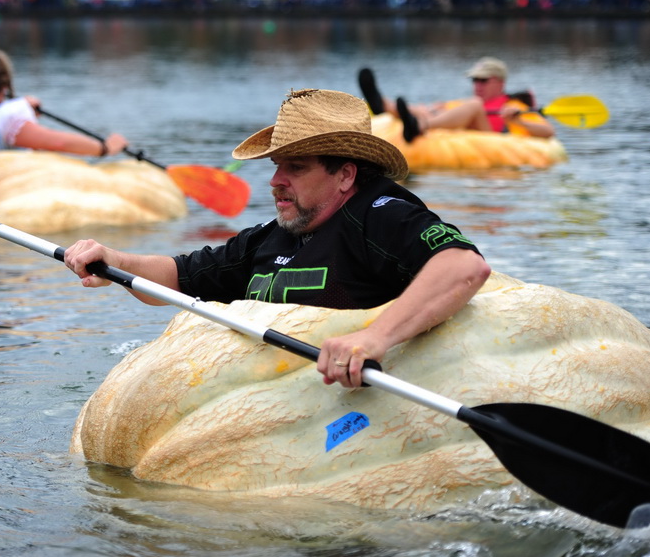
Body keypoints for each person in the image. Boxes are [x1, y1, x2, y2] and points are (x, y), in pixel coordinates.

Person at [63, 89, 491, 389]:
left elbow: (465, 266)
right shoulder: (269, 237)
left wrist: (373, 338)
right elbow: (178, 277)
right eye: (276, 165)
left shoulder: (381, 213)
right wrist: (112, 261)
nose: (275, 180)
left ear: (345, 174)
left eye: (296, 167)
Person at [0, 46, 128, 156]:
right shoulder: (9, 113)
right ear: (6, 82)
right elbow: (59, 142)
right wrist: (105, 148)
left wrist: (24, 107)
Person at [358, 57, 555, 143]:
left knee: (474, 105)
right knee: (426, 109)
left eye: (483, 80)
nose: (477, 84)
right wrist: (433, 109)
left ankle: (420, 126)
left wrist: (516, 119)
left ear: (500, 82)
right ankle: (383, 105)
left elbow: (548, 132)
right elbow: (446, 110)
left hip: (493, 137)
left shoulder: (513, 105)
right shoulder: (469, 102)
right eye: (474, 80)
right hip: (467, 128)